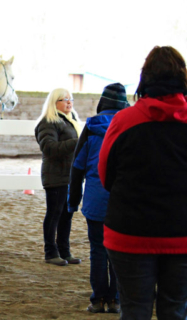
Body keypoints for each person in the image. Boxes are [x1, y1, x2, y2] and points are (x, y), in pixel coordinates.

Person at [98, 46, 187, 319]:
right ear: (184, 79)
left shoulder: (123, 121)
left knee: (134, 310)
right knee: (177, 310)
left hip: (131, 232)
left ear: (145, 78)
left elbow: (106, 176)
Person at [68, 83, 128, 314]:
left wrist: (73, 201)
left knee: (97, 251)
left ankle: (98, 299)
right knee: (119, 252)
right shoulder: (130, 128)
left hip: (95, 201)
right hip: (122, 203)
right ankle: (115, 299)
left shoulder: (91, 128)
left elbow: (77, 167)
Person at [35, 87, 81, 267]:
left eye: (70, 99)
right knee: (54, 214)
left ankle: (64, 251)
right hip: (55, 175)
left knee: (67, 214)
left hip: (69, 175)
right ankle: (50, 252)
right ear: (55, 103)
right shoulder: (48, 122)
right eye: (64, 99)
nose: (69, 102)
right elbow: (49, 148)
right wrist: (76, 143)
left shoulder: (70, 120)